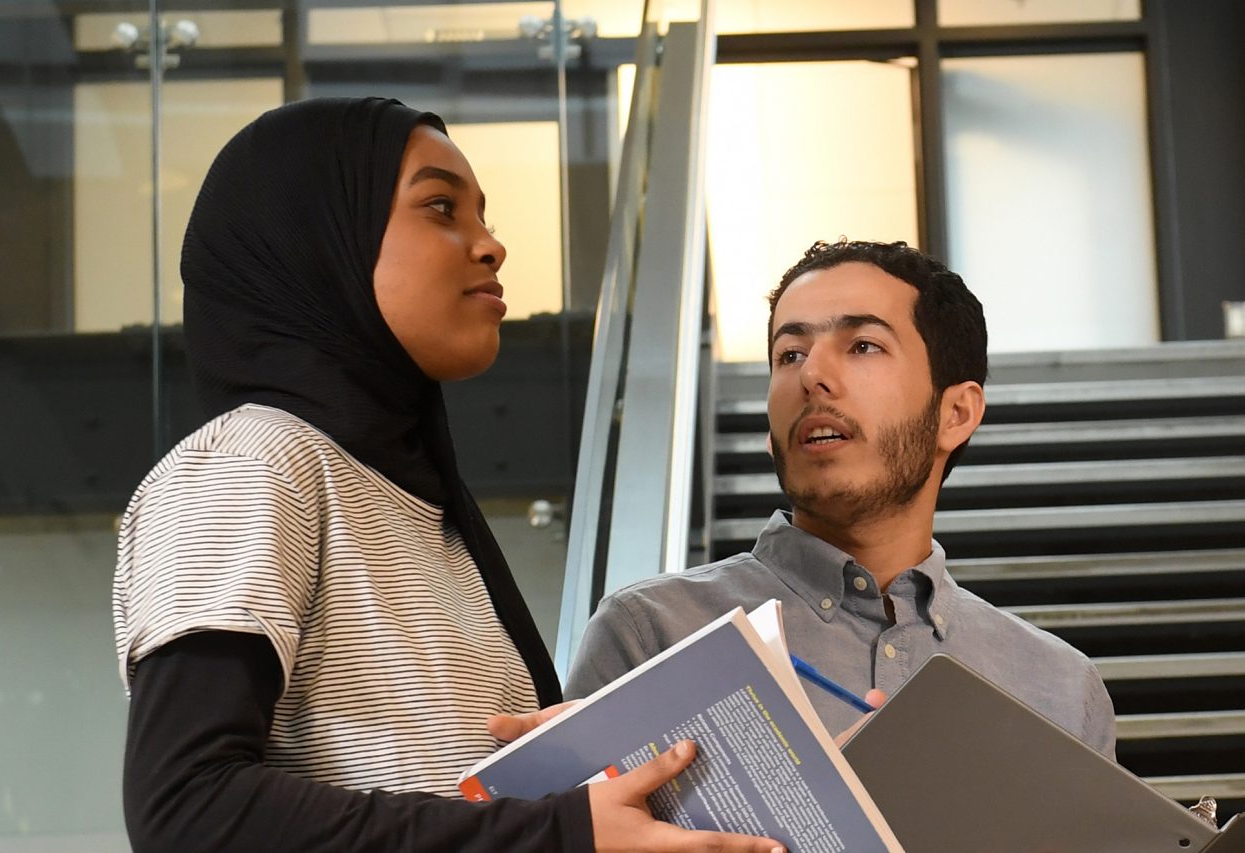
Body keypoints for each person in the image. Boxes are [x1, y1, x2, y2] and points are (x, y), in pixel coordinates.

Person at [112, 97, 785, 853]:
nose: (492, 245)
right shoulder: (251, 462)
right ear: (320, 239)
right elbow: (186, 809)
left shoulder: (418, 503)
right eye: (440, 207)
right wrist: (558, 831)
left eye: (483, 216)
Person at [565, 239, 1117, 758]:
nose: (812, 375)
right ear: (772, 433)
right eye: (789, 354)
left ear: (955, 414)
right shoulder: (652, 635)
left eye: (863, 346)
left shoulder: (1061, 688)